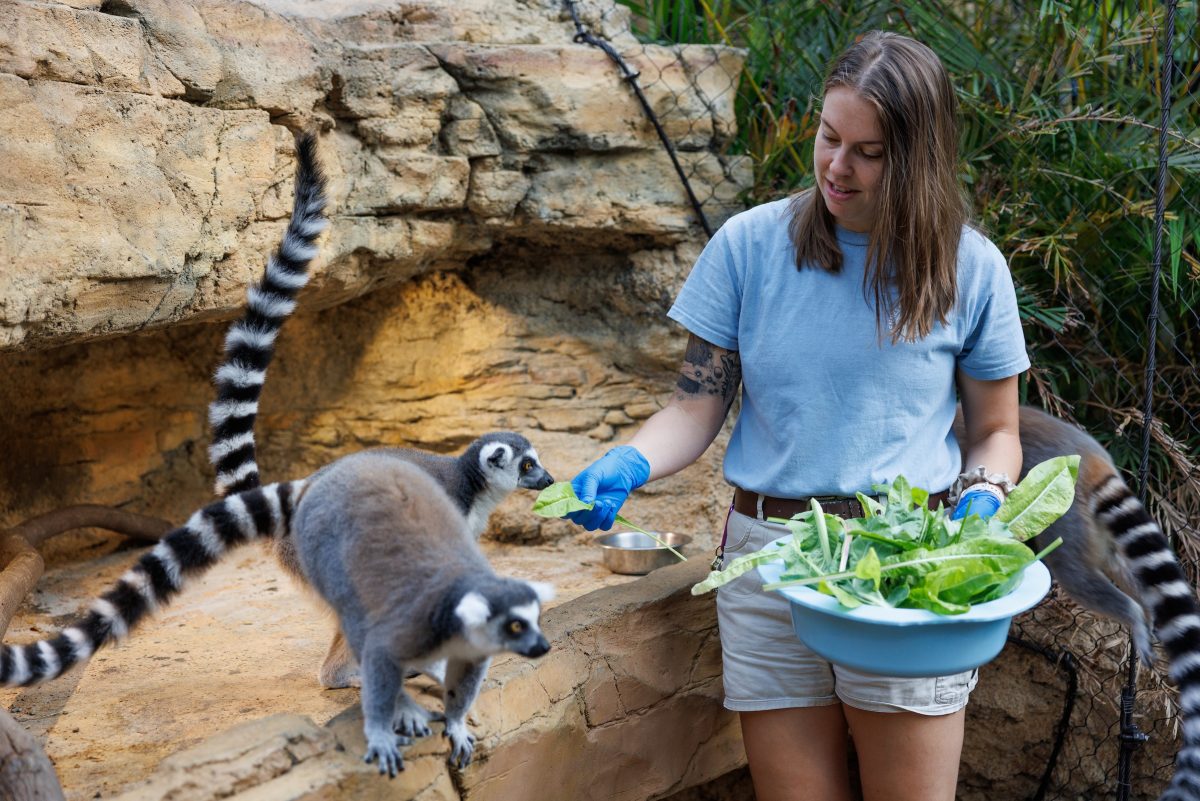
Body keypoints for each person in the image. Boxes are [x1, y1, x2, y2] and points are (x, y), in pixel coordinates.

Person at [562, 30, 1029, 801]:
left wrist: (983, 494)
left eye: (868, 152)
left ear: (917, 158)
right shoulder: (748, 246)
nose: (836, 167)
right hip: (769, 561)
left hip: (901, 568)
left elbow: (996, 429)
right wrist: (631, 460)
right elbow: (695, 403)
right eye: (827, 136)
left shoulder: (968, 266)